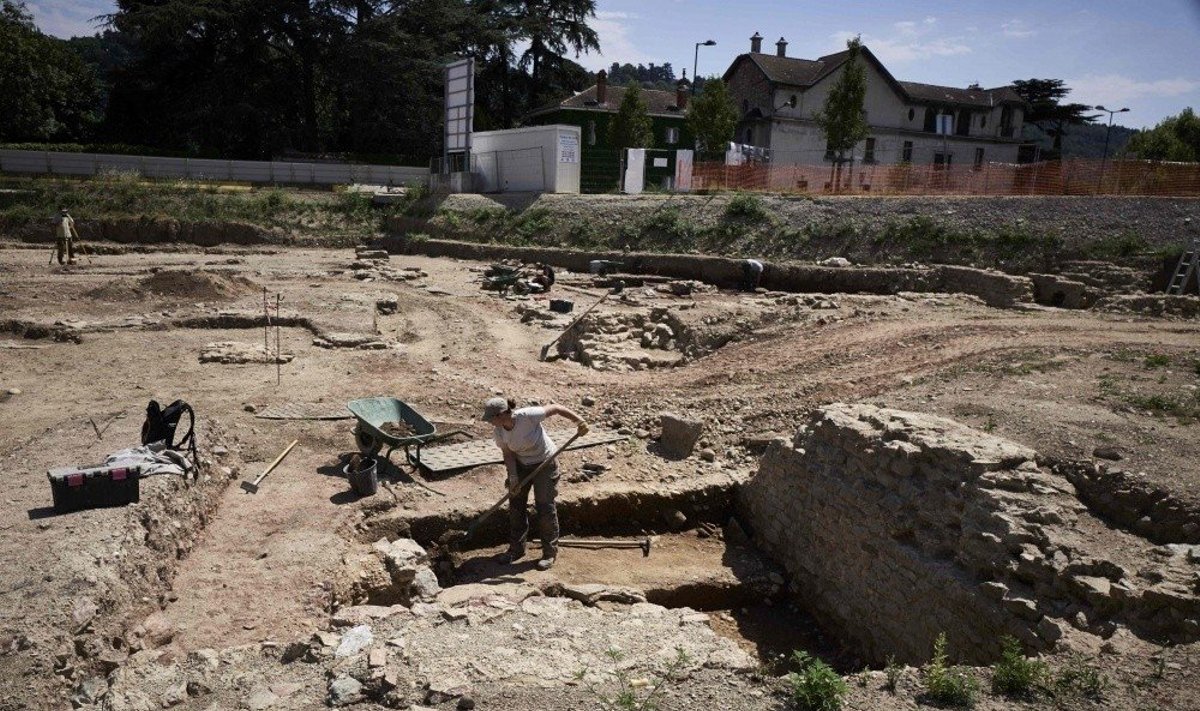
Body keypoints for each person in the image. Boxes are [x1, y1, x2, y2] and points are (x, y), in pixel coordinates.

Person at [481, 396, 588, 570]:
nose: (489, 422)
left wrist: (579, 421)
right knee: (516, 505)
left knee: (545, 507)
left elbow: (557, 407)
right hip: (521, 464)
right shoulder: (499, 431)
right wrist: (514, 477)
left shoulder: (527, 416)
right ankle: (516, 549)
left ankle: (549, 553)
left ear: (502, 414)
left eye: (491, 418)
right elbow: (508, 454)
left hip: (546, 462)